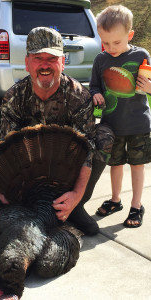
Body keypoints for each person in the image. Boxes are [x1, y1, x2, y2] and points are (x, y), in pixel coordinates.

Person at [0, 26, 114, 236]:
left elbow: (87, 149)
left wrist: (77, 195)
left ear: (62, 61)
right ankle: (29, 202)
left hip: (67, 165)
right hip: (30, 170)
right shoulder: (13, 98)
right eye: (37, 58)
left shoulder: (79, 96)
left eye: (52, 58)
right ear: (27, 63)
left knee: (104, 136)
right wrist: (4, 192)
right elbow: (6, 150)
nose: (44, 65)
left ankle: (75, 206)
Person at [90, 5, 151, 227]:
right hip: (111, 125)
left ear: (130, 35)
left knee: (137, 165)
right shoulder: (101, 60)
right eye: (105, 42)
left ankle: (136, 205)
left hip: (138, 123)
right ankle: (115, 200)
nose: (110, 48)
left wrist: (150, 87)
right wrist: (96, 95)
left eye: (116, 42)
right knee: (115, 164)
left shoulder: (141, 55)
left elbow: (149, 84)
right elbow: (94, 87)